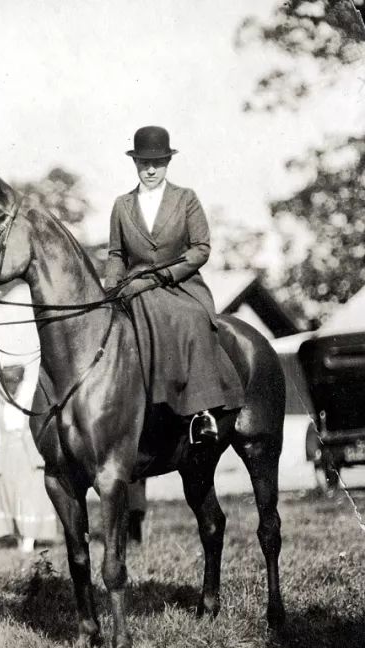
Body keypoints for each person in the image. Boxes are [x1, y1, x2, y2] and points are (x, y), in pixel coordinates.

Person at [104, 126, 244, 444]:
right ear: (135, 163)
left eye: (158, 162)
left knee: (193, 318)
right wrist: (110, 284)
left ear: (168, 162)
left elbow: (201, 248)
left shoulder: (186, 199)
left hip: (181, 283)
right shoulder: (121, 205)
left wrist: (169, 273)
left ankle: (202, 411)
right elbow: (116, 253)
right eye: (143, 163)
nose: (150, 169)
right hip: (136, 285)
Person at [0, 364, 60, 551]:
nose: (11, 387)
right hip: (8, 452)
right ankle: (18, 535)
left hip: (30, 452)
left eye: (14, 382)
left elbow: (44, 425)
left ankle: (29, 538)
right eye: (7, 383)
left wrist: (43, 452)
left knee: (30, 494)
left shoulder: (31, 397)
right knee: (10, 493)